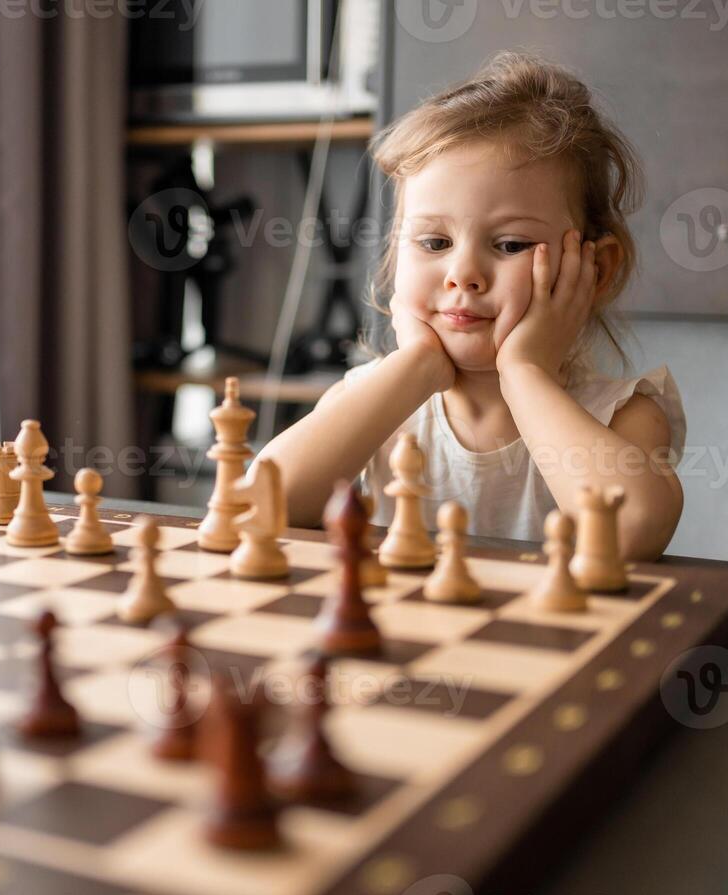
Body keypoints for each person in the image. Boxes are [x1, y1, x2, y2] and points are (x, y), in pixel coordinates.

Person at [260, 51, 685, 560]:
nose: (463, 274)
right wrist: (416, 368)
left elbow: (631, 533)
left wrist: (525, 372)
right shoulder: (378, 400)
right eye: (434, 243)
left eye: (509, 245)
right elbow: (259, 507)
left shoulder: (623, 415)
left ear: (595, 268)